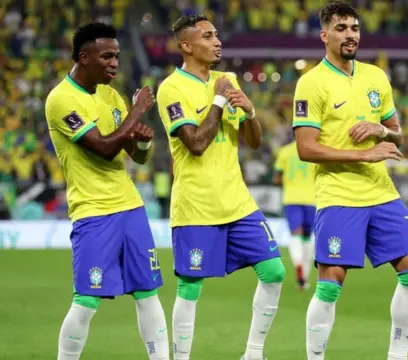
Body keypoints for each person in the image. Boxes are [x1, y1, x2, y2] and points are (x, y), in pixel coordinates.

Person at [292, 3, 408, 359]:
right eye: (341, 28)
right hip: (338, 195)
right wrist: (362, 154)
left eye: (354, 27)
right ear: (325, 36)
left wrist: (381, 130)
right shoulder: (311, 83)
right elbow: (306, 148)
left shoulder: (376, 77)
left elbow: (398, 135)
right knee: (331, 283)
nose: (351, 34)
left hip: (381, 192)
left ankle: (397, 355)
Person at [156, 15, 285, 360]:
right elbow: (195, 144)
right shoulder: (171, 88)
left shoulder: (227, 80)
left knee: (274, 271)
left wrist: (251, 112)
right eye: (208, 36)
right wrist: (217, 102)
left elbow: (253, 142)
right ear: (187, 46)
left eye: (217, 35)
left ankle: (253, 353)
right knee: (190, 286)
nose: (217, 42)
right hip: (196, 204)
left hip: (237, 201)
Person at [45, 22, 169, 360]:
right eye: (107, 56)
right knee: (86, 300)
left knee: (148, 292)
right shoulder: (61, 100)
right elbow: (102, 147)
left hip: (130, 206)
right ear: (84, 57)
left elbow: (135, 157)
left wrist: (142, 142)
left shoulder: (110, 95)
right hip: (93, 212)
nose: (115, 62)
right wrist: (137, 111)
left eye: (116, 55)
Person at [273, 140, 316, 290]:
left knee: (295, 234)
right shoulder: (313, 148)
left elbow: (276, 178)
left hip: (291, 199)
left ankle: (299, 266)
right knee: (307, 236)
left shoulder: (284, 151)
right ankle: (305, 272)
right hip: (311, 198)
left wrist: (287, 181)